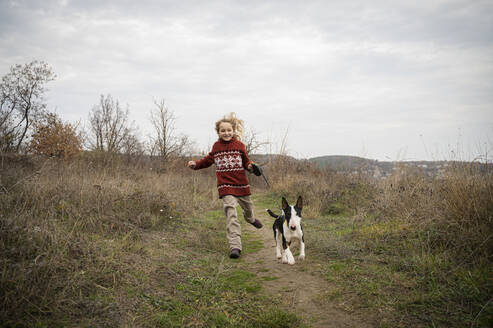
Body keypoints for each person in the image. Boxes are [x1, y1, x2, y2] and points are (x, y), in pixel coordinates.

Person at [188, 112, 263, 259]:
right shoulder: (216, 147)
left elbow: (246, 162)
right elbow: (207, 160)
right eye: (223, 130)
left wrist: (252, 167)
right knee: (231, 213)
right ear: (218, 132)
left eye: (229, 130)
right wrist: (195, 165)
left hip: (241, 185)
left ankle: (251, 219)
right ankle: (235, 246)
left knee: (248, 209)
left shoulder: (240, 146)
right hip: (225, 186)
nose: (226, 133)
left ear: (234, 131)